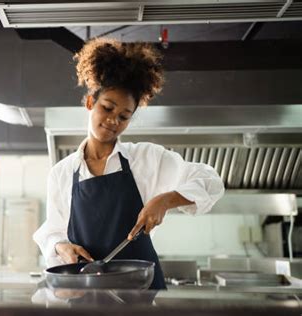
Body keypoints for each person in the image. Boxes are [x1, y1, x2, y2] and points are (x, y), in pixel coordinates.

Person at [33, 38, 225, 290]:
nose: (113, 120)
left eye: (124, 116)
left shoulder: (147, 158)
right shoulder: (62, 173)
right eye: (107, 108)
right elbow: (53, 230)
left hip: (142, 292)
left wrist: (165, 201)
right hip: (86, 291)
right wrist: (61, 246)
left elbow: (211, 181)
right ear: (91, 103)